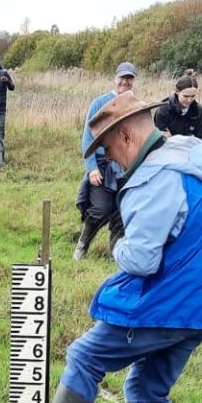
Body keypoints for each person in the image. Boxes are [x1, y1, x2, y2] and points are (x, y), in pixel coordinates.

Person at [0, 92, 202, 403]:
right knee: (147, 388)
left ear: (126, 136)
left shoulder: (155, 178)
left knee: (85, 356)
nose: (111, 162)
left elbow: (141, 260)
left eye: (108, 150)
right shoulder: (199, 160)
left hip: (169, 303)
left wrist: (117, 244)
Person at [73, 62, 135, 259]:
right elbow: (87, 138)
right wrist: (92, 168)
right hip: (102, 164)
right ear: (115, 78)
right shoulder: (100, 103)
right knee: (101, 209)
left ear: (133, 81)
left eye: (129, 78)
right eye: (122, 78)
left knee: (122, 211)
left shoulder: (136, 106)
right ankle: (82, 244)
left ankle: (114, 254)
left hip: (126, 166)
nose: (125, 82)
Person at [153, 70, 202, 140]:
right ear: (177, 92)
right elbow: (159, 139)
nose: (189, 100)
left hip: (190, 149)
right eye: (186, 96)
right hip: (167, 148)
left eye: (193, 96)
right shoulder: (163, 110)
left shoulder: (200, 113)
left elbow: (201, 141)